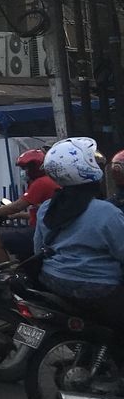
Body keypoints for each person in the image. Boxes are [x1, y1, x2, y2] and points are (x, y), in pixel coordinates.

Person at [33, 137, 124, 329]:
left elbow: (38, 248)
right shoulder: (107, 212)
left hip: (52, 280)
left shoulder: (47, 208)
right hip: (99, 288)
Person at [0, 148, 58, 263]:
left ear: (35, 167)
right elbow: (40, 213)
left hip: (41, 232)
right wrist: (18, 215)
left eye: (26, 168)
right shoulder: (46, 181)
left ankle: (6, 276)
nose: (23, 172)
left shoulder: (41, 183)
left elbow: (16, 206)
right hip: (45, 229)